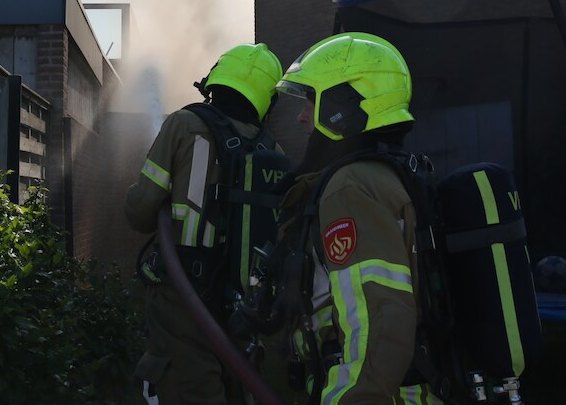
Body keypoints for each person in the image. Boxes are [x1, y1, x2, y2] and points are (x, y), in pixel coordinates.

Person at [274, 32, 440, 404]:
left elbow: (380, 318)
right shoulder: (388, 175)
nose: (302, 117)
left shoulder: (349, 187)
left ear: (343, 105)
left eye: (312, 101)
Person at [125, 43, 285, 405]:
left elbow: (139, 212)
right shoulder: (272, 152)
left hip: (182, 298)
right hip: (241, 308)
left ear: (216, 78)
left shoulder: (183, 125)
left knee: (187, 387)